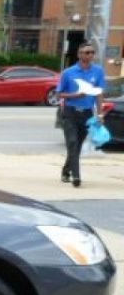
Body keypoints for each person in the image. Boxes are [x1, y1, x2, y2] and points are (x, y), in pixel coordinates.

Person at [55, 41, 105, 187]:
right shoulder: (68, 72)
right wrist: (74, 96)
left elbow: (99, 94)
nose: (90, 55)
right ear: (79, 54)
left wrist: (100, 114)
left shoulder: (98, 71)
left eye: (92, 52)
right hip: (70, 112)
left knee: (76, 146)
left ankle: (66, 170)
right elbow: (58, 94)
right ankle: (76, 177)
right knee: (72, 142)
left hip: (87, 114)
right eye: (87, 52)